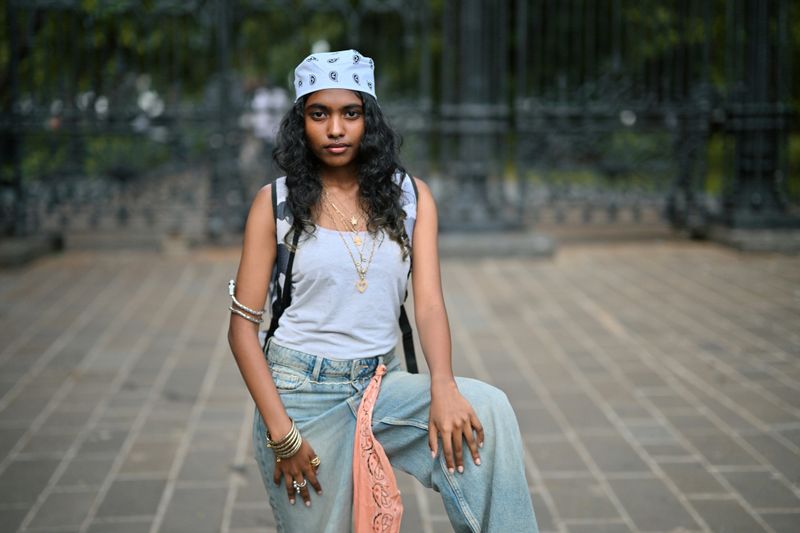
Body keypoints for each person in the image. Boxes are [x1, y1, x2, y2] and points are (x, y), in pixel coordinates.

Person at [227, 49, 538, 533]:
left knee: (488, 412)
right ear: (300, 123)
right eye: (319, 114)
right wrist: (282, 435)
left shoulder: (411, 197)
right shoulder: (275, 203)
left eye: (350, 114)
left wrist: (443, 385)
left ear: (368, 120)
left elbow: (428, 304)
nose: (335, 129)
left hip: (380, 385)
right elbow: (242, 331)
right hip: (300, 399)